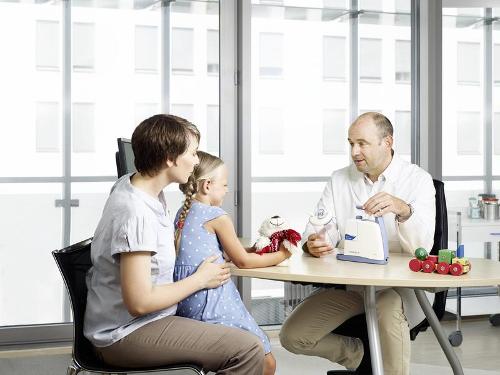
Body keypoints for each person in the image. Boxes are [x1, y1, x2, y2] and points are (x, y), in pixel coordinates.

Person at [84, 114, 265, 375]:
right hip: (126, 333)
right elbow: (140, 302)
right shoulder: (136, 212)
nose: (195, 160)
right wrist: (201, 279)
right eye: (192, 153)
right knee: (248, 349)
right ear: (170, 158)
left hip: (141, 320)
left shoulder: (136, 187)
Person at [279, 112, 436, 375]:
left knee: (387, 305)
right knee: (293, 335)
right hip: (353, 288)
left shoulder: (417, 180)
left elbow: (422, 248)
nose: (354, 151)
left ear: (387, 142)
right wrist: (314, 243)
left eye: (362, 143)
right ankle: (359, 355)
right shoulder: (340, 179)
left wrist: (403, 210)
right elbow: (317, 231)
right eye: (351, 143)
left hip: (399, 290)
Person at [174, 151, 291, 375]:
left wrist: (257, 250)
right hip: (212, 301)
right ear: (207, 185)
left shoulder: (183, 212)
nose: (227, 190)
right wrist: (284, 254)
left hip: (188, 300)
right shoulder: (216, 215)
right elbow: (243, 261)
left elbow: (228, 252)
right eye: (225, 184)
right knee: (267, 362)